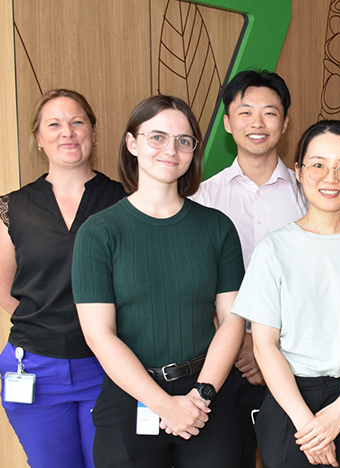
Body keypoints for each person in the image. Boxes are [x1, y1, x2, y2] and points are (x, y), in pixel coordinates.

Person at [72, 95, 246, 467]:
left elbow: (232, 319)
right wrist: (164, 404)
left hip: (207, 397)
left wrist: (200, 395)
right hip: (130, 397)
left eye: (184, 140)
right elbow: (99, 334)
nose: (171, 149)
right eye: (157, 137)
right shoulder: (99, 231)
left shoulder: (217, 227)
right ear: (132, 143)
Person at [232, 120, 340, 468]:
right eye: (318, 165)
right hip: (290, 404)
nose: (331, 177)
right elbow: (265, 345)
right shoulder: (273, 249)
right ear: (298, 170)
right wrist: (308, 425)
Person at [0, 89, 125, 468]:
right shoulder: (13, 207)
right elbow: (4, 287)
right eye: (53, 124)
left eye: (77, 122)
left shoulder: (125, 201)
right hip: (33, 368)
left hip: (110, 366)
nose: (67, 132)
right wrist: (52, 325)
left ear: (93, 131)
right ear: (39, 138)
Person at [189, 69, 306, 468]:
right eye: (245, 112)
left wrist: (268, 349)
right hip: (226, 361)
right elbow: (198, 284)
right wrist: (242, 344)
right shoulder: (204, 198)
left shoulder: (308, 195)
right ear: (227, 123)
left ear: (285, 122)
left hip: (297, 359)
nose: (257, 123)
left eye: (270, 113)